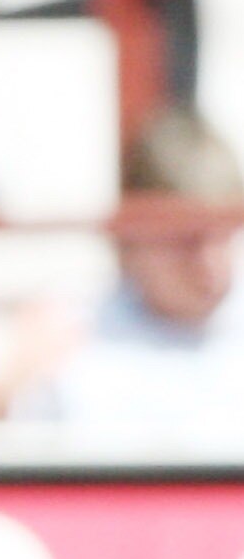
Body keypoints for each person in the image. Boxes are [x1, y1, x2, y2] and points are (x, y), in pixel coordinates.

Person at [16, 107, 244, 430]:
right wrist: (14, 389)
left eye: (224, 236)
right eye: (186, 241)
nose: (210, 262)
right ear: (131, 237)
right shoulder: (67, 337)